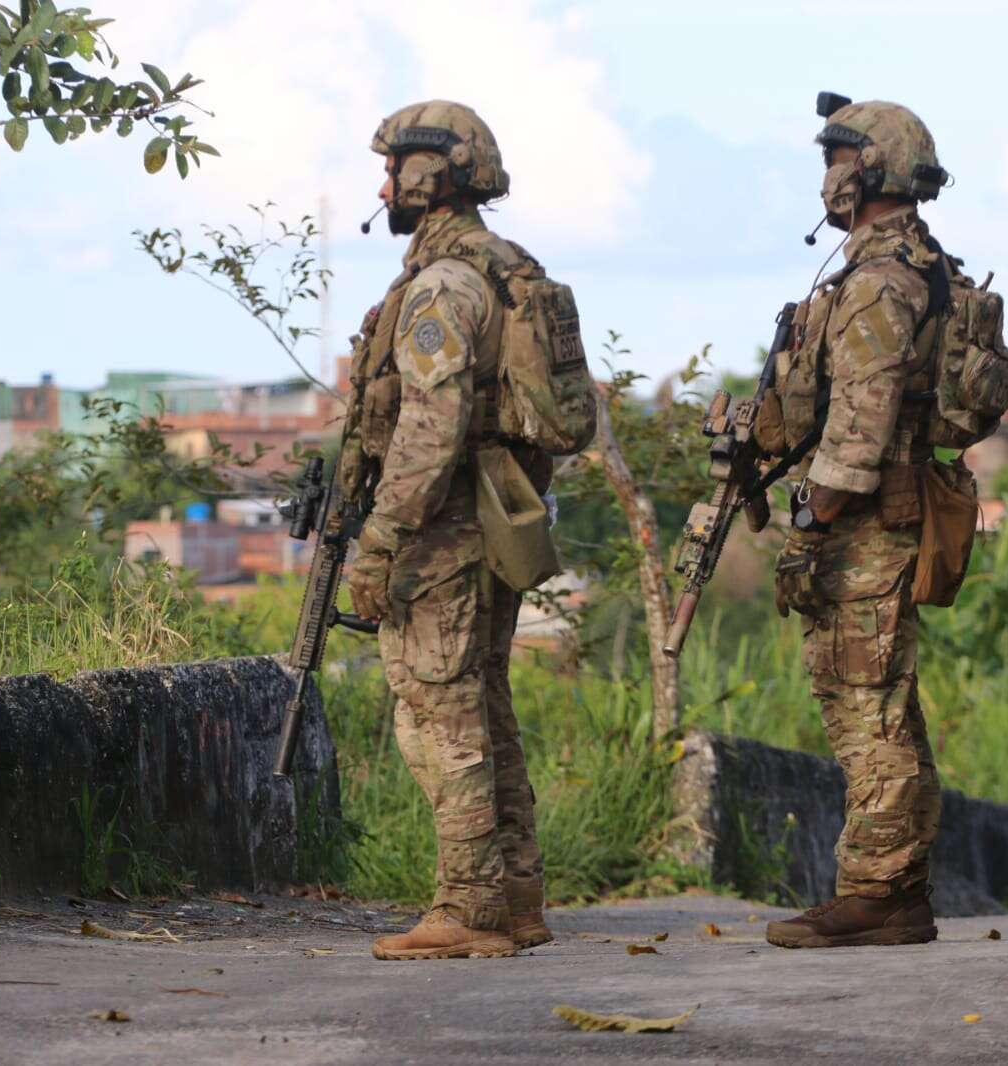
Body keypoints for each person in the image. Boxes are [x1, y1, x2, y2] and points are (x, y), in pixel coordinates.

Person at [340, 100, 555, 961]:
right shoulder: (504, 268)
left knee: (439, 714)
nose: (384, 185)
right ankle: (518, 899)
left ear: (427, 177)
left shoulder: (440, 286)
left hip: (442, 529)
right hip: (492, 520)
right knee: (484, 704)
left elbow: (429, 430)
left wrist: (381, 539)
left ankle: (469, 909)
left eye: (393, 169)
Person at [764, 97, 966, 949]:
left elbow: (858, 430)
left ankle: (877, 894)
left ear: (863, 172)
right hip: (890, 519)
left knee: (863, 712)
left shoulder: (880, 282)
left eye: (833, 158)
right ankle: (898, 892)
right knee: (886, 709)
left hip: (866, 531)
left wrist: (807, 521)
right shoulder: (914, 268)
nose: (824, 177)